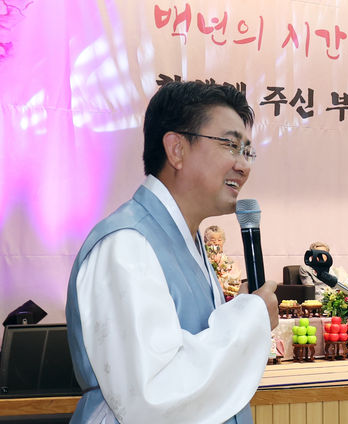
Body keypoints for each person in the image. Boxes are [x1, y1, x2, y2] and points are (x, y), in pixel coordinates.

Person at [65, 81, 278, 424]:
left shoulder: (189, 242)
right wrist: (250, 319)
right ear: (176, 149)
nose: (243, 165)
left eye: (247, 151)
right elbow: (154, 395)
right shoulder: (127, 244)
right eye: (230, 145)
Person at [204, 225, 242, 300]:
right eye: (213, 240)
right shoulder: (204, 260)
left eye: (219, 240)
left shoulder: (229, 262)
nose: (216, 243)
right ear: (206, 242)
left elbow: (235, 281)